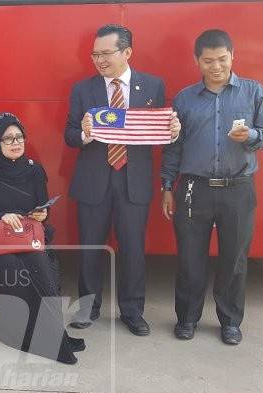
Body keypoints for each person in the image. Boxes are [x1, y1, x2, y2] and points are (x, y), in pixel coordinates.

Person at [161, 29, 263, 345]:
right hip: (193, 188)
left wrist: (252, 136)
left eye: (222, 59)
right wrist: (167, 186)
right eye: (208, 60)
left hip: (238, 189)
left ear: (233, 56)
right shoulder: (185, 98)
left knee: (235, 258)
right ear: (197, 61)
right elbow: (174, 145)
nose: (216, 66)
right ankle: (187, 318)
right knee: (189, 258)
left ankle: (230, 321)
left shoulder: (253, 92)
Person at [64, 24, 180, 335]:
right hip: (94, 182)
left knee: (132, 249)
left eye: (106, 53)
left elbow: (160, 131)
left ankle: (132, 311)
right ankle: (88, 308)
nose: (99, 60)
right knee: (90, 248)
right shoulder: (82, 89)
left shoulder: (153, 86)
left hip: (134, 181)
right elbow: (70, 135)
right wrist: (85, 134)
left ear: (126, 52)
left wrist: (173, 129)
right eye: (95, 54)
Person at [0, 113, 84, 364]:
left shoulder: (34, 171)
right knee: (12, 268)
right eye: (8, 138)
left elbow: (43, 208)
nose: (15, 142)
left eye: (19, 136)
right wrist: (2, 216)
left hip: (29, 237)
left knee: (42, 266)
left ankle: (52, 334)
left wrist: (42, 213)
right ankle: (18, 332)